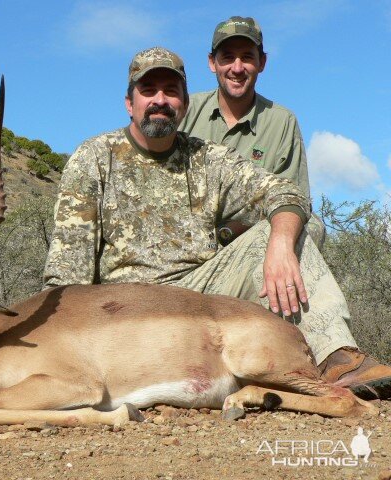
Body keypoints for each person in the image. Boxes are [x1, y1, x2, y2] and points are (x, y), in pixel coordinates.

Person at [43, 46, 391, 399]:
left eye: (171, 91)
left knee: (288, 228)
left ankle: (337, 359)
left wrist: (280, 245)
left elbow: (286, 193)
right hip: (126, 309)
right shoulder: (94, 157)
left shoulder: (208, 158)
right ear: (129, 103)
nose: (160, 100)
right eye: (148, 91)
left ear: (184, 103)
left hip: (202, 294)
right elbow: (67, 274)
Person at [179, 16, 325, 248]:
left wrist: (227, 232)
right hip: (184, 238)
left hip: (246, 242)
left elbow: (294, 200)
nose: (237, 68)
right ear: (212, 62)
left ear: (262, 62)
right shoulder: (184, 110)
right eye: (227, 57)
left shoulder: (282, 121)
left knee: (310, 228)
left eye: (247, 57)